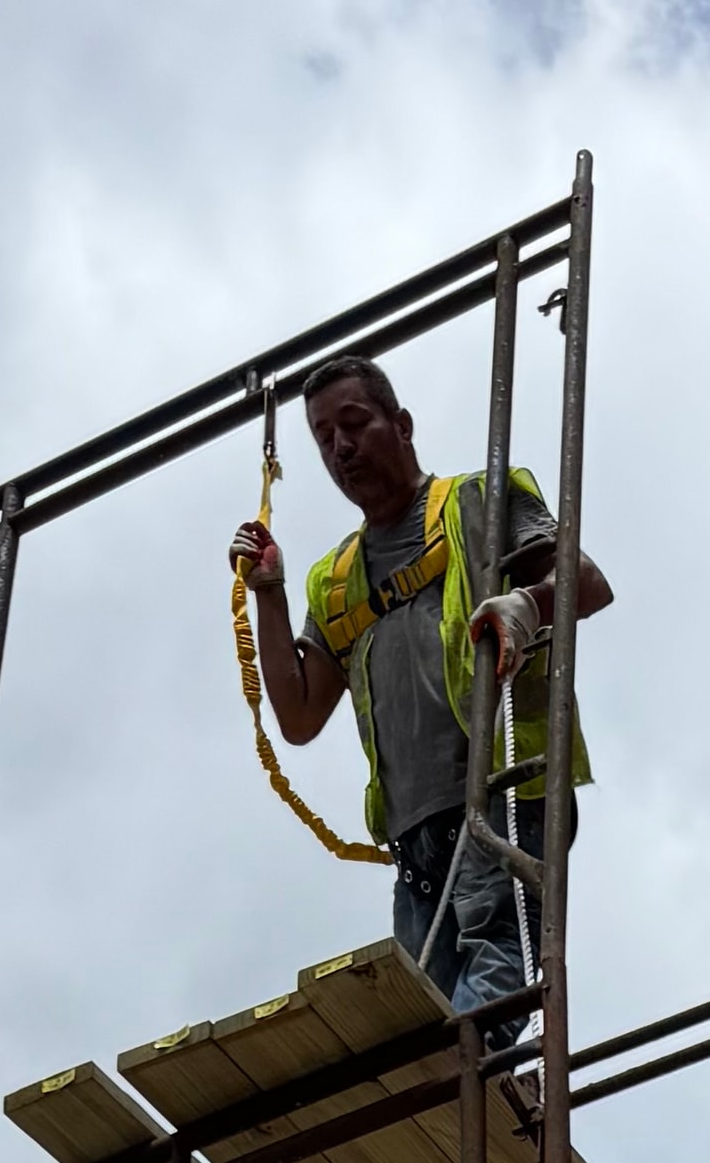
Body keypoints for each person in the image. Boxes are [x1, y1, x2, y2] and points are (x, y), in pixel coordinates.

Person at [229, 356, 609, 1021]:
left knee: (490, 984)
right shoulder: (337, 579)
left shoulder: (475, 501)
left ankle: (467, 1079)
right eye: (324, 437)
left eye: (354, 424)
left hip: (499, 797)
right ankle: (462, 1087)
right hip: (416, 840)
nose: (341, 447)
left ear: (401, 425)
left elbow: (588, 582)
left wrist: (530, 604)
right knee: (427, 1020)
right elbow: (299, 715)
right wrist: (269, 595)